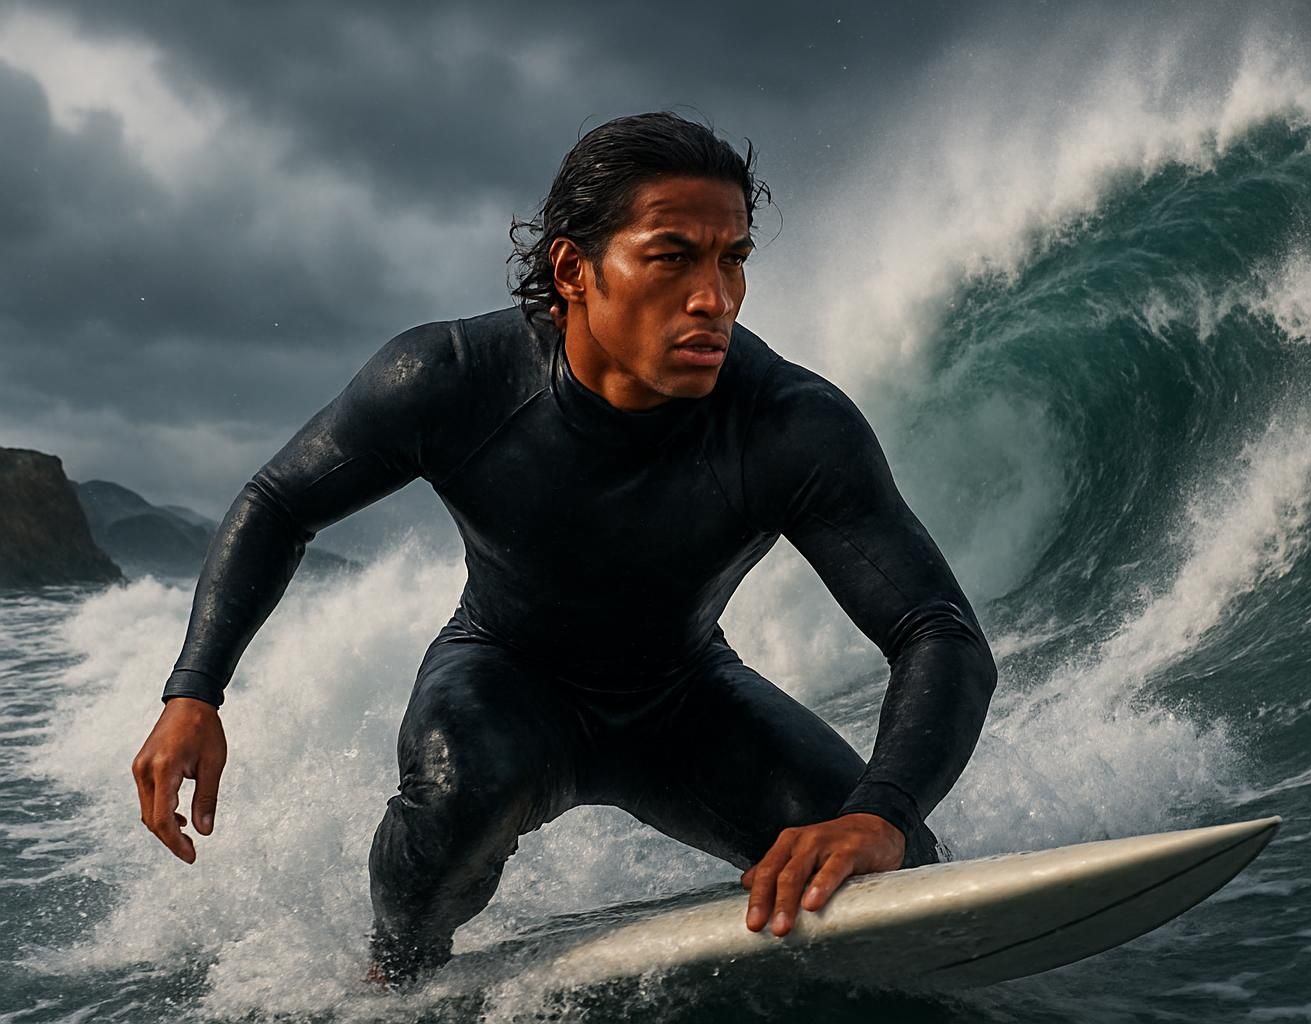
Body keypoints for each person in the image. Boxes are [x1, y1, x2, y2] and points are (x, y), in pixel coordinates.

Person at [130, 111, 998, 986]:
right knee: (458, 790)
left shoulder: (787, 425)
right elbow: (280, 502)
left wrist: (879, 815)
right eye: (673, 257)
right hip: (504, 678)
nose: (715, 297)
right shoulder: (453, 377)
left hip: (683, 700)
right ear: (574, 270)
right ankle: (392, 973)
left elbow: (937, 630)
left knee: (895, 860)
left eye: (732, 259)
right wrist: (194, 693)